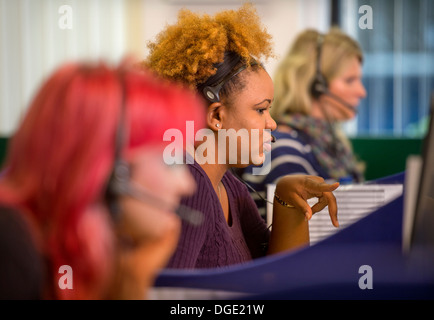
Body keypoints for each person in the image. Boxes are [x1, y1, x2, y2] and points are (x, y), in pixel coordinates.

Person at [142, 3, 340, 269]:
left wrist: (286, 197)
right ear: (216, 117)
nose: (271, 123)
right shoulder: (192, 184)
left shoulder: (229, 185)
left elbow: (275, 275)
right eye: (260, 110)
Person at [0, 61, 205, 299]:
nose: (187, 185)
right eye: (172, 161)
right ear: (113, 174)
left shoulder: (97, 249)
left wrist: (134, 277)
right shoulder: (10, 248)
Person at [243, 28, 367, 216]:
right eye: (350, 80)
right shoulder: (283, 147)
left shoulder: (328, 144)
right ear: (315, 86)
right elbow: (300, 233)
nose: (361, 92)